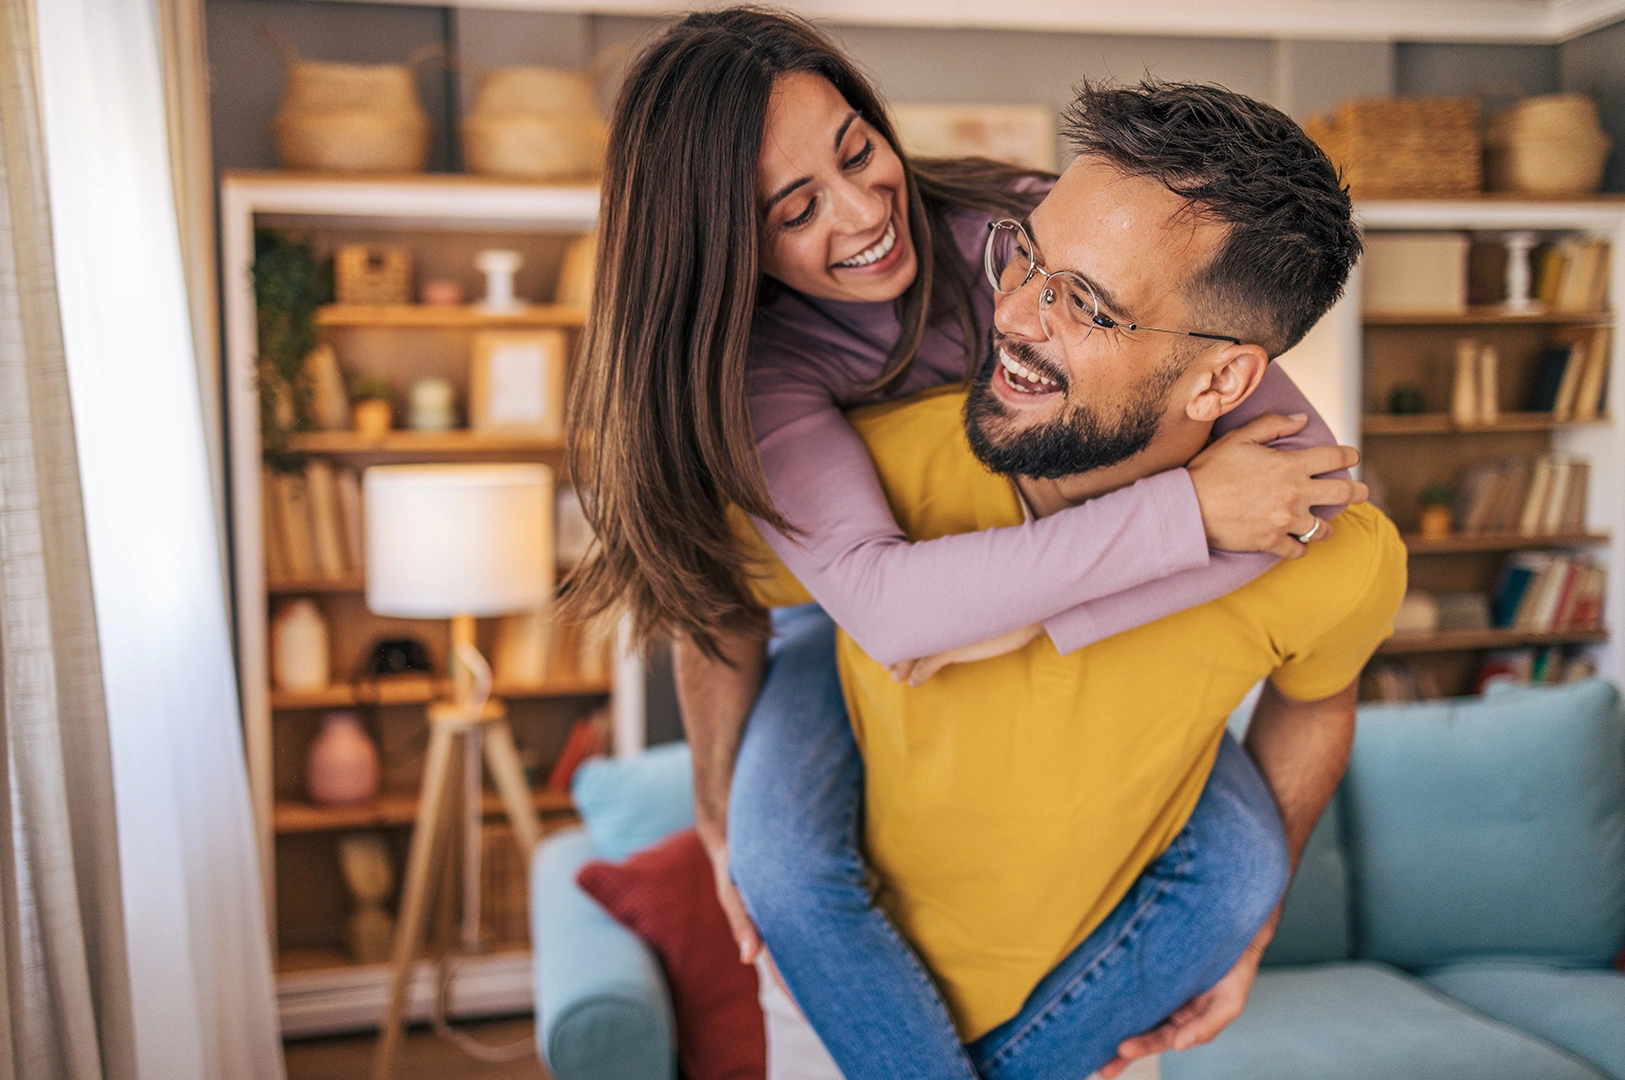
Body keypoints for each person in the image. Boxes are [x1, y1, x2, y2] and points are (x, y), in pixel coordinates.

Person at [565, 8, 1365, 1076]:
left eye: (858, 151)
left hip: (1044, 613)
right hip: (826, 631)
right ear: (722, 242)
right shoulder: (757, 367)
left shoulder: (1017, 221)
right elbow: (871, 614)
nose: (860, 214)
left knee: (1237, 872)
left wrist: (1057, 614)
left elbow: (1296, 487)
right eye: (793, 207)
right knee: (781, 867)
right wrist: (715, 801)